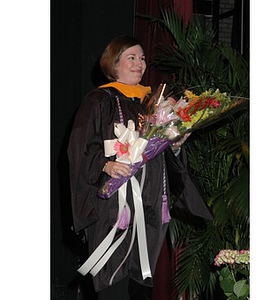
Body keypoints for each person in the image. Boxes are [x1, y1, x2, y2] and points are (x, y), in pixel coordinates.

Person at [67, 36, 212, 300]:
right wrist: (106, 164)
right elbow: (80, 147)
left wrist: (176, 145)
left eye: (142, 58)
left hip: (151, 204)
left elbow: (166, 157)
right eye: (131, 57)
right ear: (114, 64)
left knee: (142, 281)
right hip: (115, 205)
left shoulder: (156, 102)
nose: (139, 63)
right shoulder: (100, 100)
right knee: (113, 279)